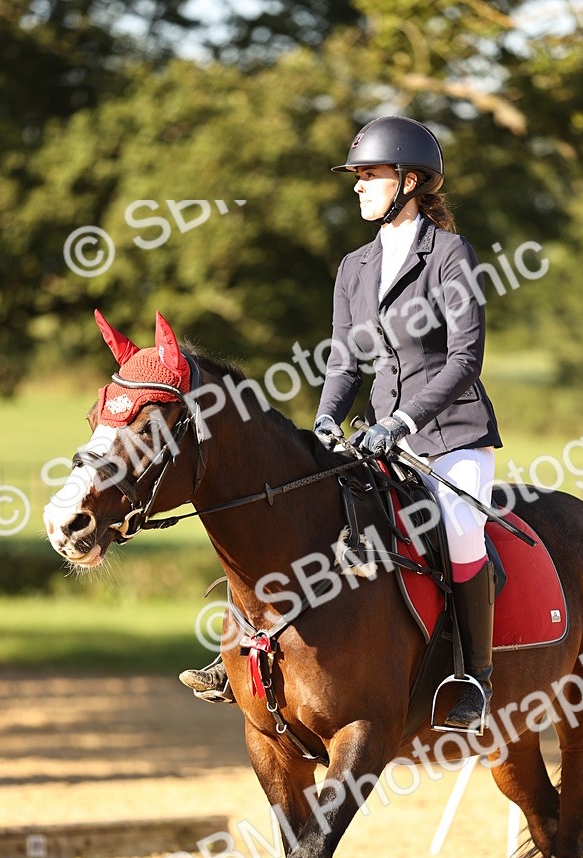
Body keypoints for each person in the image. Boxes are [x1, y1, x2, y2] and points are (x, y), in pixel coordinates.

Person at [183, 115, 501, 733]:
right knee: (313, 513)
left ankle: (474, 679)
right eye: (356, 177)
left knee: (461, 533)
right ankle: (246, 651)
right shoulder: (354, 267)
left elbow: (466, 359)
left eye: (369, 175)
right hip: (377, 435)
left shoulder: (450, 256)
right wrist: (328, 417)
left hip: (451, 436)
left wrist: (405, 419)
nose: (357, 186)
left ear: (409, 181)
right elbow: (345, 359)